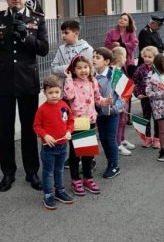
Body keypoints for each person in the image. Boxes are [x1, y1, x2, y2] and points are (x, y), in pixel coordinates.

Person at [0, 0, 49, 192]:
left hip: (27, 81)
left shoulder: (37, 18)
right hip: (5, 83)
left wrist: (26, 37)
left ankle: (32, 172)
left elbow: (44, 49)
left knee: (29, 130)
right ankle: (8, 173)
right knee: (7, 131)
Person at [63, 55, 111, 196]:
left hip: (89, 121)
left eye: (85, 67)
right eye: (78, 68)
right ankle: (75, 179)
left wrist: (106, 101)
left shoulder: (93, 81)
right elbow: (69, 96)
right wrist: (68, 78)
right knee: (75, 153)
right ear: (73, 70)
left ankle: (88, 178)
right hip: (76, 122)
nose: (83, 70)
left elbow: (97, 99)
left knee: (88, 152)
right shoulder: (71, 82)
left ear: (90, 68)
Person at [33, 75, 74, 210]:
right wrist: (45, 135)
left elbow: (70, 122)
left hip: (63, 146)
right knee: (48, 172)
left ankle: (60, 191)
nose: (54, 95)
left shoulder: (64, 106)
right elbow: (36, 126)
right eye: (50, 93)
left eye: (57, 92)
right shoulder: (42, 109)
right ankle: (48, 194)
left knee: (60, 169)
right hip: (48, 148)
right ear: (44, 92)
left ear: (61, 91)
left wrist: (69, 131)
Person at [92, 47, 124, 179]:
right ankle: (109, 161)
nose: (94, 60)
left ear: (107, 61)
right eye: (93, 57)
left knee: (110, 139)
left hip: (112, 114)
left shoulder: (115, 75)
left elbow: (124, 96)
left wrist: (115, 109)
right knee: (103, 138)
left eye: (97, 58)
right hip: (99, 113)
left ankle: (114, 165)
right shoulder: (92, 76)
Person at [51, 19, 93, 85]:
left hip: (83, 88)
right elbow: (53, 68)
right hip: (66, 88)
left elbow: (92, 70)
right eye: (62, 33)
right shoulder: (61, 49)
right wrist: (69, 67)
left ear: (76, 33)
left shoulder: (87, 49)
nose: (63, 35)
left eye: (66, 33)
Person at [133, 46, 159, 148]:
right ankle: (147, 138)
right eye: (145, 56)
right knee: (146, 118)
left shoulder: (158, 69)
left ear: (155, 57)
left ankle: (157, 139)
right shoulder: (140, 69)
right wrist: (137, 93)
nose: (147, 58)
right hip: (145, 98)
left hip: (157, 99)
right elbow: (136, 83)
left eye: (150, 57)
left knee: (157, 119)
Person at [111, 47, 135, 156]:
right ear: (119, 58)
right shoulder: (114, 71)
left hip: (124, 100)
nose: (126, 60)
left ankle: (122, 139)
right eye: (125, 57)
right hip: (119, 102)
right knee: (119, 123)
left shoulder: (120, 69)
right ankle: (118, 144)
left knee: (123, 121)